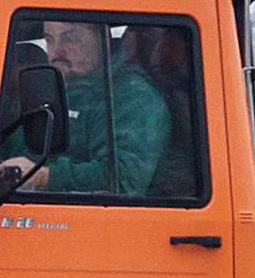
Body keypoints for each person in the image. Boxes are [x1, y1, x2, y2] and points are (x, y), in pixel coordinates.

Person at [32, 17, 176, 200]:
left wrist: (44, 176)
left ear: (102, 39)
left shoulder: (133, 97)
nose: (55, 52)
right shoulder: (61, 90)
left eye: (70, 39)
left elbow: (123, 180)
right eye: (49, 41)